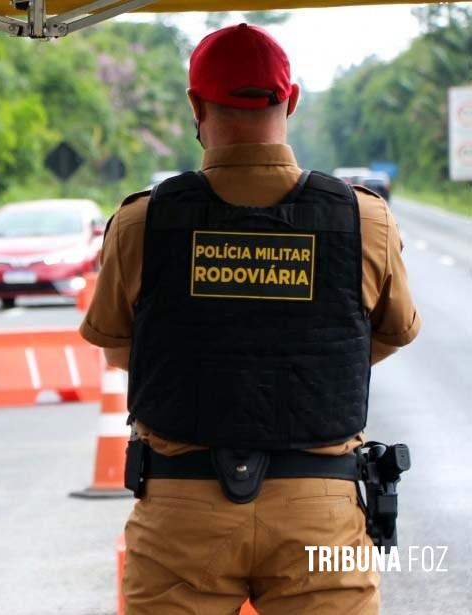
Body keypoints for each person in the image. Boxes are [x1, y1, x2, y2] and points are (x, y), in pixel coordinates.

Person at [80, 24, 420, 615]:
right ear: (290, 100)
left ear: (195, 104)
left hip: (182, 513)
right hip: (322, 509)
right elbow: (388, 333)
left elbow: (119, 349)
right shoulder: (365, 220)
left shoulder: (143, 222)